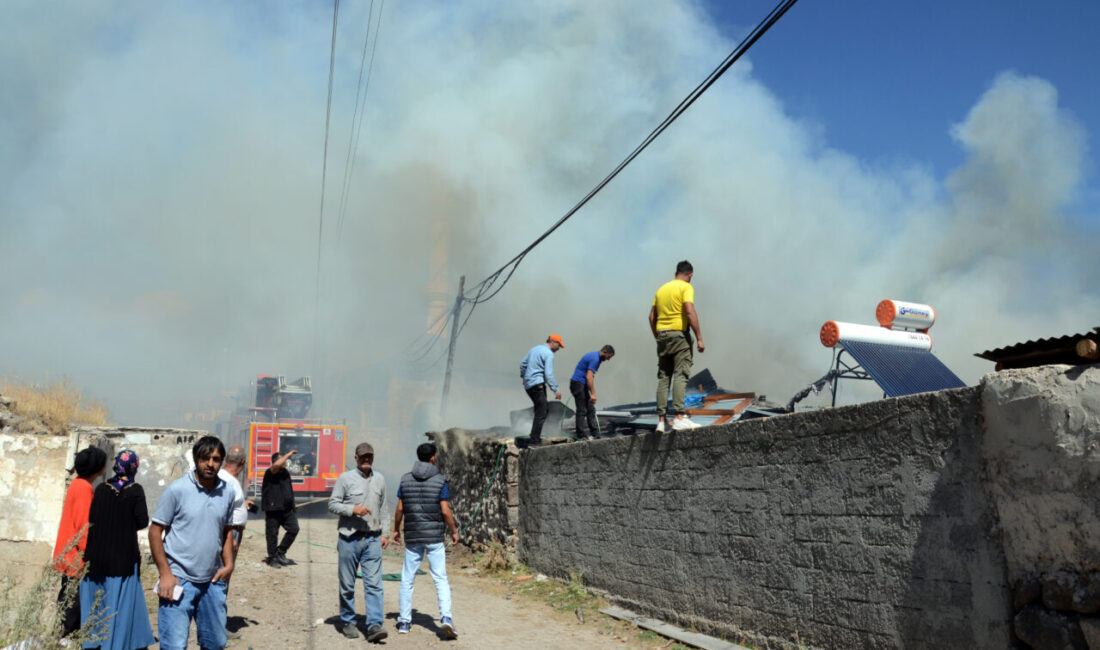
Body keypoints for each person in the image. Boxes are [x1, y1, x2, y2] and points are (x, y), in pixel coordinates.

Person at [149, 436, 236, 650]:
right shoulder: (177, 490)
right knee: (174, 646)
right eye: (205, 458)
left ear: (222, 461)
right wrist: (165, 575)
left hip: (212, 582)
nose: (210, 464)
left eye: (216, 459)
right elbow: (155, 531)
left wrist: (229, 565)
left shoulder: (228, 492)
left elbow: (226, 532)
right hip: (179, 580)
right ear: (197, 459)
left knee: (215, 643)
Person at [79, 449, 156, 650]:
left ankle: (93, 642)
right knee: (117, 606)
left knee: (98, 604)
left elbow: (92, 518)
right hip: (122, 558)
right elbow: (142, 521)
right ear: (134, 467)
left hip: (96, 557)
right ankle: (115, 644)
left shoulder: (101, 489)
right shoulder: (135, 490)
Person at [392, 442, 460, 639]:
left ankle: (404, 621)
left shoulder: (405, 480)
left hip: (413, 536)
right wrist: (454, 531)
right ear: (433, 458)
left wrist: (396, 530)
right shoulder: (440, 480)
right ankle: (446, 618)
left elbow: (399, 509)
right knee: (440, 578)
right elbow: (445, 511)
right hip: (434, 537)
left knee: (407, 578)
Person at [328, 442, 390, 643]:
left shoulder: (380, 479)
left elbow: (383, 509)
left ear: (373, 458)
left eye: (369, 456)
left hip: (372, 539)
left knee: (374, 584)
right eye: (362, 456)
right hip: (349, 539)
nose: (366, 459)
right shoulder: (345, 479)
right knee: (347, 584)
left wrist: (385, 534)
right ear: (355, 458)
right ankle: (348, 621)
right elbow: (333, 504)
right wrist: (353, 510)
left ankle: (374, 625)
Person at [53, 446, 107, 637]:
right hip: (76, 557)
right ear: (99, 469)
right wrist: (92, 555)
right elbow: (83, 527)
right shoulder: (84, 488)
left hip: (68, 554)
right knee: (72, 608)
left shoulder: (77, 484)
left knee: (67, 602)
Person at [648, 260, 706, 432]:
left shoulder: (661, 289)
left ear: (675, 273)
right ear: (690, 275)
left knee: (664, 378)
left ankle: (661, 421)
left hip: (662, 336)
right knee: (681, 374)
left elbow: (652, 317)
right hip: (679, 336)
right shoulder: (686, 287)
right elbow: (689, 310)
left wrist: (657, 336)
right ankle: (680, 417)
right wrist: (700, 338)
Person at [219, 446, 250, 639]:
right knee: (222, 580)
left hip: (232, 533)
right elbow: (221, 512)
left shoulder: (228, 479)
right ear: (242, 462)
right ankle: (217, 629)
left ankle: (218, 625)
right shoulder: (227, 481)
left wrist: (243, 506)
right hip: (230, 535)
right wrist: (229, 538)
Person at [519, 334, 565, 446]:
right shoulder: (549, 354)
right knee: (542, 411)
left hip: (529, 386)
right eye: (559, 345)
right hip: (538, 384)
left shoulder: (534, 349)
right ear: (553, 342)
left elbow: (522, 364)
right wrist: (556, 390)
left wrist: (524, 378)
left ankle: (534, 436)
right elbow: (548, 374)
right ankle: (534, 440)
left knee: (540, 409)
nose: (559, 349)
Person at [261, 449, 299, 567]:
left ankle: (280, 552)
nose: (286, 461)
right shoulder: (270, 471)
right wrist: (288, 454)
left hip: (286, 509)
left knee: (294, 529)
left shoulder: (285, 472)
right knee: (272, 534)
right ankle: (272, 558)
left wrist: (293, 503)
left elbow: (288, 490)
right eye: (283, 459)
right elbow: (275, 466)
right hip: (273, 509)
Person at [568, 345, 616, 440]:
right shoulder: (595, 359)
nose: (608, 359)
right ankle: (580, 435)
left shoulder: (595, 356)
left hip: (582, 384)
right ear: (605, 351)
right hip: (578, 384)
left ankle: (595, 434)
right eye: (609, 357)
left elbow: (589, 377)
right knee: (582, 410)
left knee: (590, 409)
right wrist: (593, 394)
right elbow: (589, 377)